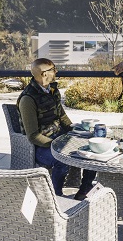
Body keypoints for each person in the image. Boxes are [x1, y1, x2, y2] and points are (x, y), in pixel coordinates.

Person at [17, 58, 96, 200]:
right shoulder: (28, 99)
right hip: (41, 148)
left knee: (92, 148)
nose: (56, 71)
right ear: (44, 74)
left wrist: (76, 131)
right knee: (61, 160)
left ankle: (84, 190)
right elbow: (33, 136)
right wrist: (57, 147)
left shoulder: (52, 90)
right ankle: (56, 197)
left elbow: (62, 117)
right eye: (53, 69)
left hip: (59, 139)